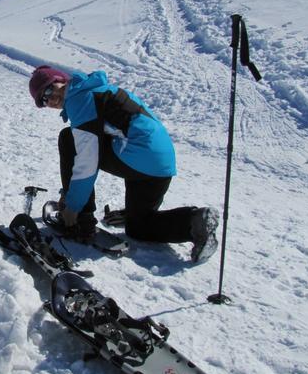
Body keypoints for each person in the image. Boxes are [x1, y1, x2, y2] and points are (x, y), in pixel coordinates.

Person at [29, 65, 219, 262]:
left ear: (63, 79)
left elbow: (87, 160)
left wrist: (74, 204)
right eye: (43, 100)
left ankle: (80, 223)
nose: (50, 99)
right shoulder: (97, 90)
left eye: (50, 89)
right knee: (139, 227)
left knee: (69, 139)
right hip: (158, 165)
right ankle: (195, 222)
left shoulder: (80, 99)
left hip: (139, 156)